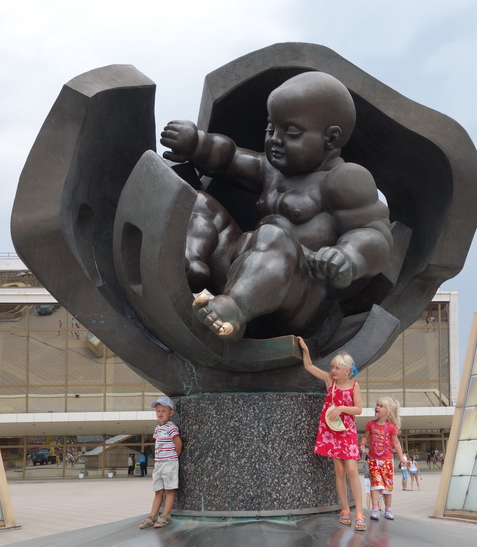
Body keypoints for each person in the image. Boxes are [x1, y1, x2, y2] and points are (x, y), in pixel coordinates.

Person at [161, 71, 394, 341]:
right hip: (241, 268)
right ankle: (192, 264)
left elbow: (376, 235)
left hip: (297, 293)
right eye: (271, 129)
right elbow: (229, 158)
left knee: (273, 234)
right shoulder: (271, 169)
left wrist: (348, 257)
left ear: (330, 139)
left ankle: (234, 308)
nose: (275, 141)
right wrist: (196, 143)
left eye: (292, 133)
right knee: (199, 202)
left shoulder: (344, 180)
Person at [297, 337, 367, 531]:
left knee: (352, 470)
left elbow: (359, 409)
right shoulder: (330, 381)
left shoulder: (354, 386)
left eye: (337, 368)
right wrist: (304, 349)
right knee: (339, 471)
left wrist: (342, 408)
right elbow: (309, 367)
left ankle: (359, 513)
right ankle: (345, 509)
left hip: (347, 432)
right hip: (332, 431)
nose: (333, 371)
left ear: (347, 370)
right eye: (332, 367)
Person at [359, 397, 407, 520]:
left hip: (387, 461)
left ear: (388, 412)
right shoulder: (371, 424)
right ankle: (375, 508)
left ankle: (388, 508)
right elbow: (365, 436)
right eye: (377, 405)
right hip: (373, 460)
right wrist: (362, 444)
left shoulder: (391, 427)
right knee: (375, 484)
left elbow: (396, 443)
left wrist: (401, 457)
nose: (377, 407)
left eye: (381, 406)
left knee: (387, 486)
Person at [139, 396, 182, 530]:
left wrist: (173, 457)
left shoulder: (171, 427)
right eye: (158, 411)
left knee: (169, 490)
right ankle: (152, 516)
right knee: (158, 491)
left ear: (171, 413)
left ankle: (165, 515)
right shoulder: (157, 429)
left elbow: (178, 443)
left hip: (169, 462)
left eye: (164, 410)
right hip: (158, 463)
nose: (160, 413)